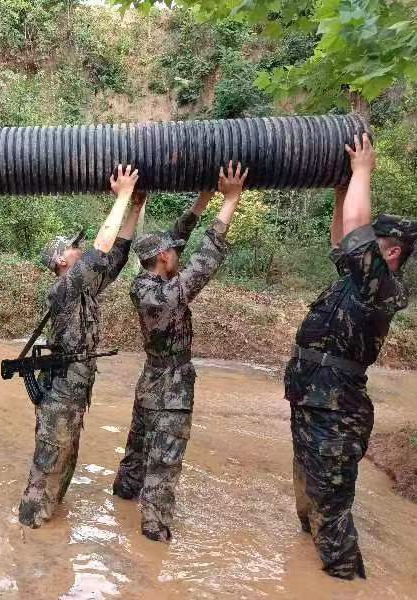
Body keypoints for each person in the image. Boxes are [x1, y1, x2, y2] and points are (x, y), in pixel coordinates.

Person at [285, 133, 417, 579]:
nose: (356, 245)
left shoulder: (381, 288)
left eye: (371, 242)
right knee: (308, 501)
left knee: (332, 511)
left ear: (392, 251)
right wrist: (340, 185)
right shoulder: (353, 279)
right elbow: (344, 238)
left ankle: (344, 580)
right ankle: (308, 577)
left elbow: (358, 232)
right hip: (311, 399)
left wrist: (362, 170)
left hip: (336, 412)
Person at [112, 162, 248, 542]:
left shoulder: (145, 282)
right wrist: (230, 201)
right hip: (171, 385)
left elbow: (177, 236)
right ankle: (153, 533)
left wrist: (205, 197)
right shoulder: (168, 294)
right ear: (165, 260)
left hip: (151, 379)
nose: (178, 254)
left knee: (138, 449)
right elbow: (207, 258)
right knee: (165, 461)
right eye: (174, 253)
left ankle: (122, 500)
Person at [19, 164, 144, 529]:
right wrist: (121, 195)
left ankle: (47, 531)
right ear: (61, 261)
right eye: (73, 248)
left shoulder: (84, 290)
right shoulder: (65, 289)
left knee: (66, 462)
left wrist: (135, 208)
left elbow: (116, 255)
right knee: (49, 463)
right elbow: (100, 250)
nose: (79, 250)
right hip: (61, 392)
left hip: (75, 389)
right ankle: (28, 532)